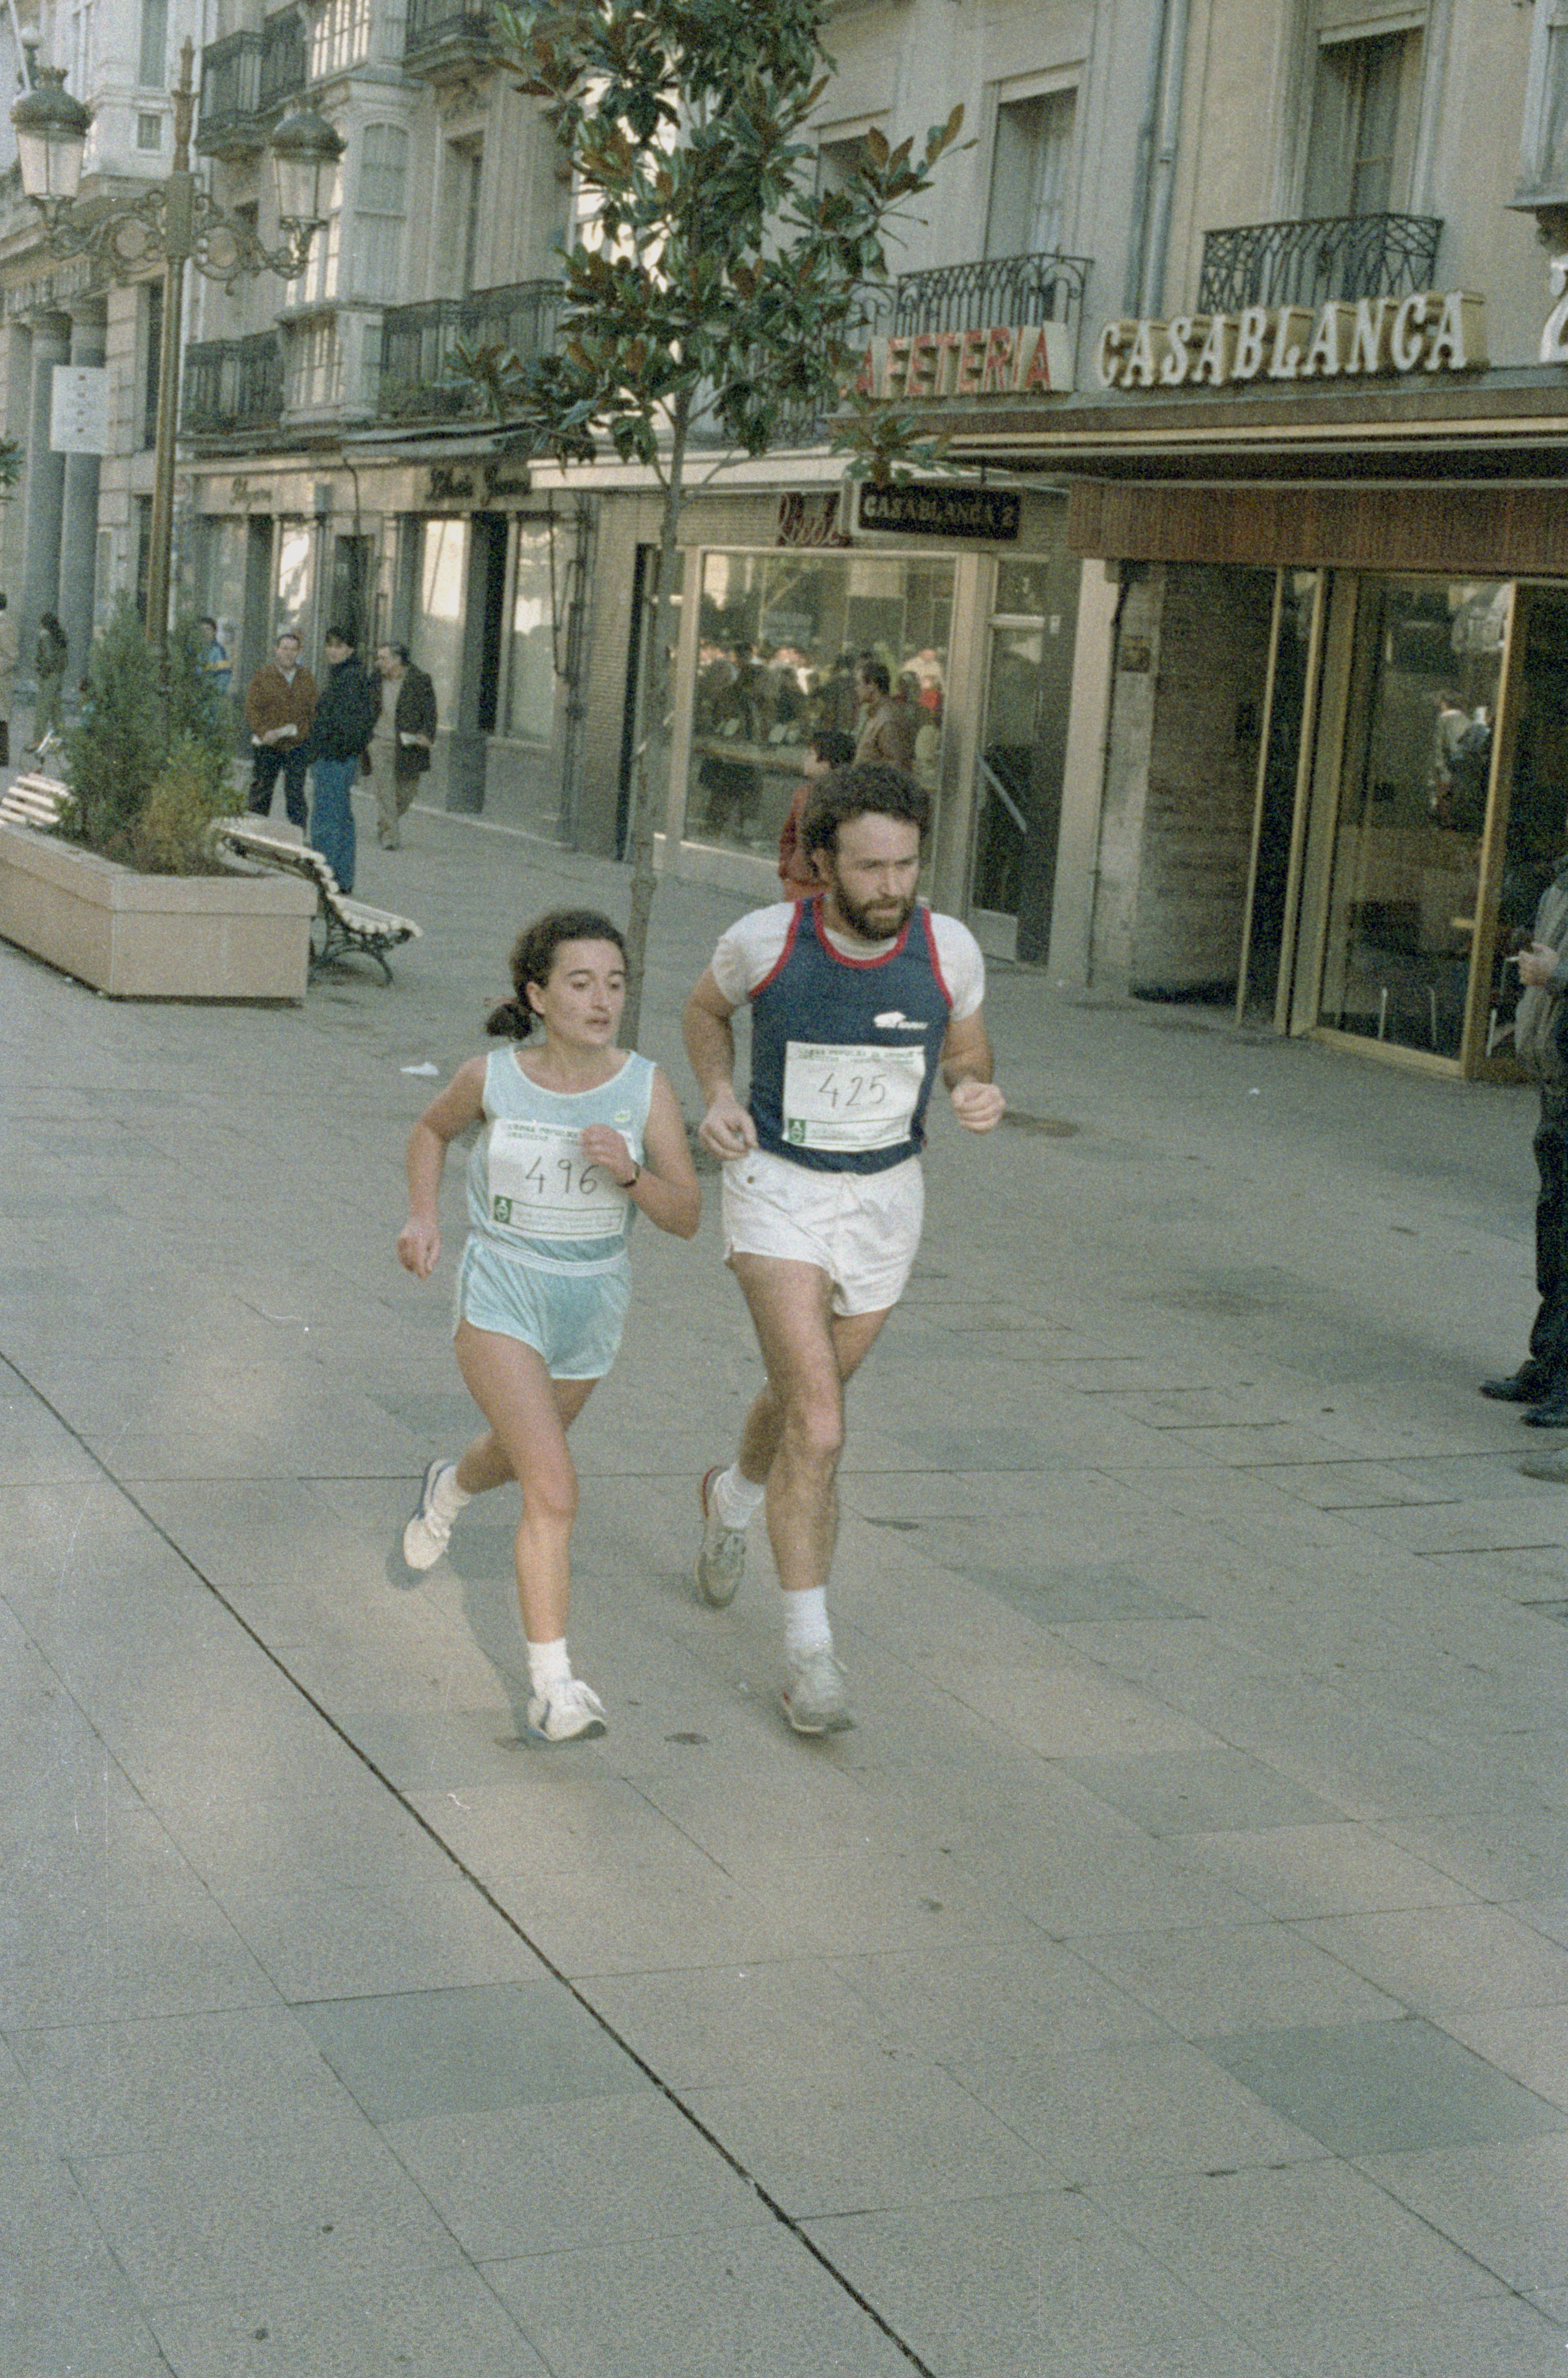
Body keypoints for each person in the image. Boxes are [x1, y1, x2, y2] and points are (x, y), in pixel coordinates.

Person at [683, 762, 1006, 1734]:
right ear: (821, 863)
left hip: (887, 1201)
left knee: (800, 1397)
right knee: (821, 1427)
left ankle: (731, 1497)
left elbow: (966, 1048)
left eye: (906, 864)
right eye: (870, 866)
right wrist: (720, 1096)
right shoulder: (762, 940)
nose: (891, 885)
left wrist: (972, 1088)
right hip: (778, 1189)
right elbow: (705, 1012)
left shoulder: (949, 948)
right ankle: (810, 1658)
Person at [397, 910, 701, 1742]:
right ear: (537, 995)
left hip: (591, 1306)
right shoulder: (492, 1077)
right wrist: (423, 1215)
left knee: (514, 1455)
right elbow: (431, 1130)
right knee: (554, 1486)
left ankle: (448, 1488)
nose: (602, 1000)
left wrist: (631, 1174)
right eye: (581, 982)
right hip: (501, 1292)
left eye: (615, 984)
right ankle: (554, 1688)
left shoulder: (645, 1087)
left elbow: (685, 1215)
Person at [1485, 832, 1568, 1443]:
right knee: (1554, 1232)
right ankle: (1548, 1363)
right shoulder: (1558, 884)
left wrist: (1558, 974)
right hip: (1555, 1082)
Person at [300, 624, 376, 893]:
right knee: (341, 817)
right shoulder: (347, 675)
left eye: (339, 646)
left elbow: (347, 723)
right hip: (339, 756)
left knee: (326, 820)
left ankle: (326, 878)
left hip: (334, 757)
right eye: (330, 645)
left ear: (350, 649)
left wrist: (327, 748)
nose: (332, 651)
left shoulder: (349, 679)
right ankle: (341, 878)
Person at [245, 630, 318, 829]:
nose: (288, 654)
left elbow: (313, 712)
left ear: (299, 652)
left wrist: (302, 733)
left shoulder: (307, 678)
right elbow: (252, 708)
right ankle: (252, 834)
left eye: (293, 650)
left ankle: (298, 835)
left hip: (296, 747)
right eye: (284, 648)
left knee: (296, 794)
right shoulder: (263, 676)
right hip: (268, 745)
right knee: (261, 792)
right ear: (276, 650)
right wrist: (263, 732)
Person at [370, 641, 438, 849]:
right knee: (386, 792)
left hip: (409, 745)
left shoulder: (419, 680)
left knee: (407, 793)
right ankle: (390, 838)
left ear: (398, 659)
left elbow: (430, 712)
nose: (379, 662)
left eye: (383, 658)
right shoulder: (375, 680)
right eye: (379, 658)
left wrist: (427, 735)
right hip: (379, 742)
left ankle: (385, 823)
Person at [777, 727, 855, 895]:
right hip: (798, 881)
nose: (805, 757)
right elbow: (788, 836)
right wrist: (786, 868)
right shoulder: (802, 793)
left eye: (811, 754)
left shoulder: (848, 798)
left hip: (831, 887)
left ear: (828, 761)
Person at [853, 656, 916, 774]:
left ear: (872, 686)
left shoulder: (888, 719)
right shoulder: (875, 714)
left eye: (858, 684)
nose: (856, 689)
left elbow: (897, 767)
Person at [30, 612, 67, 754]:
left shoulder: (45, 636)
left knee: (43, 708)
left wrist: (42, 670)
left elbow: (47, 658)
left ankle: (38, 740)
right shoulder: (59, 635)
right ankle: (60, 740)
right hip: (57, 675)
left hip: (49, 676)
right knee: (55, 709)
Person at [199, 615, 232, 699]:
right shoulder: (194, 650)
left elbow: (225, 674)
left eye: (208, 629)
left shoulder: (219, 651)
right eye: (202, 630)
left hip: (210, 697)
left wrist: (215, 693)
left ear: (214, 632)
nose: (205, 633)